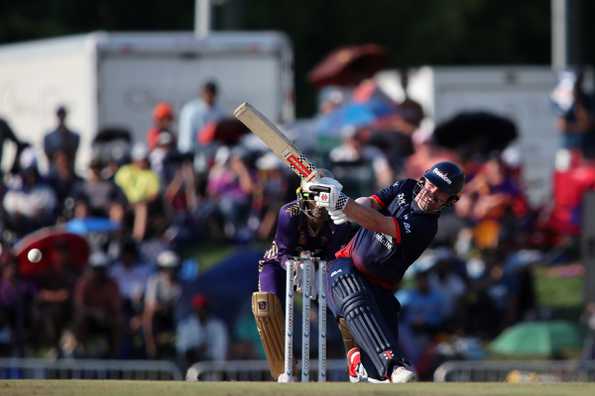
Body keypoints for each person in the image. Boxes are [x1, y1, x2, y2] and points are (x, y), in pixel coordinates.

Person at [306, 161, 465, 383]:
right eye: (431, 185)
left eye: (441, 193)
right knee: (351, 287)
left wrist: (342, 203)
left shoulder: (425, 227)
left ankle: (374, 370)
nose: (432, 193)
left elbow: (378, 223)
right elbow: (370, 203)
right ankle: (393, 364)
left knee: (377, 377)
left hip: (379, 289)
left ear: (450, 201)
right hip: (342, 267)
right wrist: (345, 207)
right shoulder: (405, 187)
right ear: (423, 180)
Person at [251, 170, 356, 381]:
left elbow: (333, 255)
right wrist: (294, 264)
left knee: (349, 302)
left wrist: (320, 276)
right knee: (266, 307)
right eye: (314, 199)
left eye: (324, 199)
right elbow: (282, 251)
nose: (318, 206)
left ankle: (359, 366)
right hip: (280, 264)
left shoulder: (340, 221)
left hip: (320, 266)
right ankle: (284, 369)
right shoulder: (289, 213)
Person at [176, 293, 228, 369]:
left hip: (212, 368)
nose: (201, 310)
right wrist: (197, 350)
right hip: (190, 367)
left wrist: (206, 351)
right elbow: (181, 349)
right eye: (198, 307)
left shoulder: (218, 326)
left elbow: (220, 352)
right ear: (194, 308)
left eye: (203, 307)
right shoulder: (185, 326)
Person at [178, 81, 225, 155]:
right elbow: (186, 140)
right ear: (201, 93)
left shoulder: (221, 111)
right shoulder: (191, 110)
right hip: (192, 152)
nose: (209, 95)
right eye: (207, 92)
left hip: (213, 153)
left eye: (212, 93)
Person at [43, 105, 80, 172]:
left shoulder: (74, 136)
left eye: (63, 114)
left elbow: (73, 154)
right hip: (53, 173)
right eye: (60, 114)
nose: (61, 117)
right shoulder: (48, 137)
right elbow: (48, 155)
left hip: (69, 173)